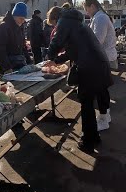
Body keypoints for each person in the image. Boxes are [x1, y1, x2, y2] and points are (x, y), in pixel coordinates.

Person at [47, 8, 113, 153]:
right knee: (87, 102)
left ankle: (88, 141)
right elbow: (72, 50)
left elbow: (56, 42)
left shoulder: (65, 21)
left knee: (86, 104)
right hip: (98, 65)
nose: (55, 28)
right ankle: (93, 136)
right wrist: (57, 60)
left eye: (53, 24)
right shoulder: (77, 23)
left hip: (90, 68)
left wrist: (49, 58)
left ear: (56, 18)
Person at [83, 0, 117, 131]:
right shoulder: (99, 17)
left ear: (92, 6)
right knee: (102, 89)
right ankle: (105, 116)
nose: (86, 12)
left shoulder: (101, 18)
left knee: (100, 89)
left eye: (86, 9)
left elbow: (97, 40)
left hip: (102, 58)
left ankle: (103, 119)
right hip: (103, 57)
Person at [0, 2, 32, 74]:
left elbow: (23, 47)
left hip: (16, 65)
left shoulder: (20, 28)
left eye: (24, 19)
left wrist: (30, 63)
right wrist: (7, 67)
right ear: (14, 16)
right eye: (20, 18)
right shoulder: (3, 27)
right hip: (4, 67)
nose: (22, 21)